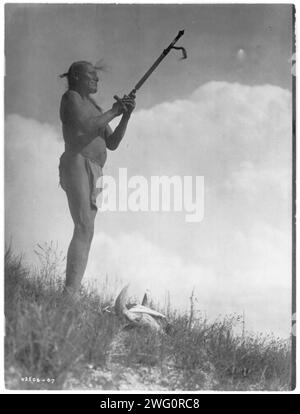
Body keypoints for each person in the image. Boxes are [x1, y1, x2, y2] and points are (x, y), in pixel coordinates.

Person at [59, 60, 135, 299]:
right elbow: (83, 128)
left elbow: (111, 144)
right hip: (77, 162)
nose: (97, 79)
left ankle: (71, 291)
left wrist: (125, 116)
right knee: (84, 226)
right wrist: (113, 111)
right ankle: (70, 294)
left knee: (86, 229)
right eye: (92, 75)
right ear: (78, 77)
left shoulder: (93, 105)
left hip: (94, 169)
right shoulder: (71, 98)